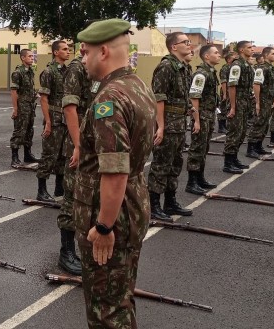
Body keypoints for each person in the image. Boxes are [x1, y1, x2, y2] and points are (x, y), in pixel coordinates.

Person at [74, 18, 155, 329]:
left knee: (105, 309)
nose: (82, 60)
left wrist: (104, 227)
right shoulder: (138, 87)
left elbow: (115, 172)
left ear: (103, 51)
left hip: (111, 213)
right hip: (134, 204)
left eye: (84, 52)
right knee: (120, 296)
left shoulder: (109, 97)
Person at [148, 32, 194, 218]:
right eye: (185, 42)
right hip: (167, 124)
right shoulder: (166, 67)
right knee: (161, 165)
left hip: (179, 124)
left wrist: (189, 108)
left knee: (175, 164)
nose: (189, 45)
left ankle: (170, 202)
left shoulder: (183, 68)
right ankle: (153, 206)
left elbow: (182, 96)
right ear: (174, 46)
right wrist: (160, 126)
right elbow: (159, 97)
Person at [57, 42, 93, 275]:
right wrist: (78, 144)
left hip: (95, 137)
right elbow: (70, 108)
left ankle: (86, 247)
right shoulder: (77, 69)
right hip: (79, 139)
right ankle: (66, 252)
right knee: (72, 193)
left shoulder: (99, 68)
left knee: (91, 193)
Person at [36, 40, 70, 201]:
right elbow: (44, 99)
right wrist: (48, 122)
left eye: (68, 49)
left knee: (63, 155)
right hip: (54, 120)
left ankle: (59, 188)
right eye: (64, 49)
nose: (68, 51)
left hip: (66, 120)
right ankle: (41, 190)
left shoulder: (68, 71)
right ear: (56, 52)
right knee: (49, 155)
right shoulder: (48, 72)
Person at [185, 44, 221, 195]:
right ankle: (191, 183)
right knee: (197, 148)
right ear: (207, 56)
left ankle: (200, 178)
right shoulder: (201, 74)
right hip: (202, 116)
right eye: (216, 53)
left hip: (209, 115)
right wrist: (197, 120)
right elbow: (194, 98)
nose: (219, 55)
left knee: (204, 147)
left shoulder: (211, 72)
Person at [222, 41, 255, 174]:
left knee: (241, 133)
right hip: (238, 102)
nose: (252, 50)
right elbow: (232, 85)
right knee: (234, 133)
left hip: (245, 102)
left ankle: (234, 159)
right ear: (241, 50)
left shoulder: (247, 64)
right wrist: (233, 107)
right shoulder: (237, 65)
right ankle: (228, 163)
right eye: (249, 47)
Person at [245, 47, 274, 158]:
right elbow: (256, 85)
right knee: (258, 124)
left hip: (268, 100)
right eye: (273, 54)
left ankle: (258, 146)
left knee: (264, 124)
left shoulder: (270, 68)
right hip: (262, 100)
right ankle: (251, 148)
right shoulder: (261, 69)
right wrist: (257, 102)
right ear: (266, 55)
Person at [9, 49, 39, 166]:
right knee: (19, 131)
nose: (32, 58)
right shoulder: (17, 72)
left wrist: (35, 94)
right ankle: (14, 157)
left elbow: (28, 88)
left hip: (31, 106)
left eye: (32, 56)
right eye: (30, 56)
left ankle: (28, 155)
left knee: (29, 130)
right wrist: (15, 109)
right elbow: (14, 92)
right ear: (23, 58)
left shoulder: (30, 71)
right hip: (22, 106)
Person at [218, 50, 238, 134]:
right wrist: (225, 94)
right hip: (225, 90)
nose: (237, 58)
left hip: (231, 91)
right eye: (234, 57)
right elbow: (223, 81)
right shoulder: (225, 68)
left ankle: (225, 126)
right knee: (223, 108)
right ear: (229, 59)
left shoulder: (233, 67)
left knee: (228, 108)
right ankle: (221, 127)